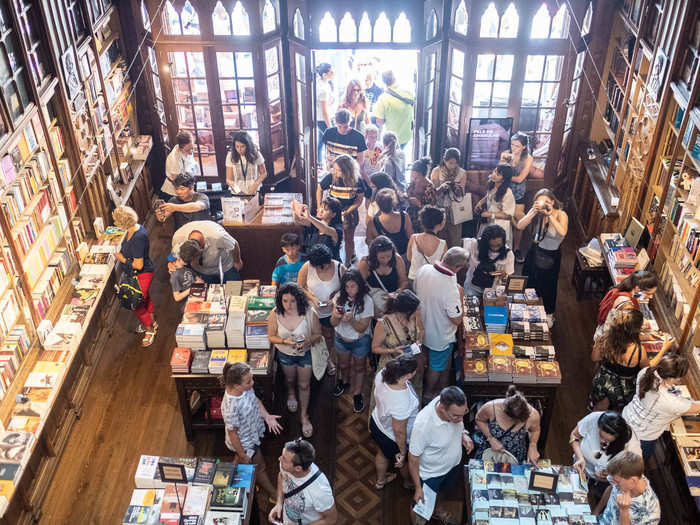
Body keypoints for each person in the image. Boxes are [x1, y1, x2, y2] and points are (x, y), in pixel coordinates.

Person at [408, 386, 474, 525]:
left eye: (464, 413)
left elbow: (457, 425)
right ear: (442, 408)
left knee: (442, 492)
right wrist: (418, 487)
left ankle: (438, 509)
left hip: (452, 466)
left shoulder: (448, 403)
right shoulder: (423, 426)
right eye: (456, 415)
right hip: (431, 474)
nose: (461, 419)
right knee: (419, 508)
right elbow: (413, 458)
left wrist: (463, 434)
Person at [589, 308, 674, 412]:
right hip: (622, 390)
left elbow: (594, 358)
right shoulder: (637, 350)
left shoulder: (604, 338)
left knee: (599, 408)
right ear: (636, 330)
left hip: (602, 381)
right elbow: (648, 368)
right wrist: (664, 348)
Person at [267, 283, 323, 438]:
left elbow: (318, 334)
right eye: (285, 301)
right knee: (290, 379)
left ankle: (304, 415)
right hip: (285, 354)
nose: (289, 305)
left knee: (304, 384)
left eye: (292, 301)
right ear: (280, 300)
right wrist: (286, 342)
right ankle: (291, 393)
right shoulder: (275, 313)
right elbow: (271, 336)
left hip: (305, 354)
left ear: (299, 299)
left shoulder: (309, 313)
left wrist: (308, 342)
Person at [414, 247, 467, 405]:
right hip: (440, 335)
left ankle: (430, 387)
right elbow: (457, 319)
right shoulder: (451, 289)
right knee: (436, 366)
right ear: (457, 267)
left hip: (421, 328)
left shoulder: (424, 269)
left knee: (427, 360)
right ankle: (429, 393)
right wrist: (461, 297)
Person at [220, 362, 282, 497]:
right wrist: (243, 454)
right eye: (249, 381)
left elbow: (255, 400)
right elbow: (233, 434)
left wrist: (266, 416)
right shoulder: (231, 407)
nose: (252, 383)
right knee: (260, 468)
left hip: (252, 433)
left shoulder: (245, 389)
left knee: (242, 463)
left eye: (252, 378)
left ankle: (232, 481)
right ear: (236, 385)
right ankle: (274, 495)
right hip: (245, 443)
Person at [622, 353, 700, 461]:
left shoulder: (645, 372)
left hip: (626, 418)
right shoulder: (668, 401)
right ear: (672, 378)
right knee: (634, 466)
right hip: (642, 437)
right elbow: (696, 408)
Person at [570, 411, 642, 511]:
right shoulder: (594, 418)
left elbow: (626, 478)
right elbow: (574, 436)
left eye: (608, 440)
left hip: (606, 484)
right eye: (600, 435)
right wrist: (580, 457)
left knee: (597, 501)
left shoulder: (632, 448)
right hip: (581, 469)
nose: (602, 441)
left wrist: (609, 476)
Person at [516, 188, 568, 321]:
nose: (542, 204)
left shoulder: (561, 214)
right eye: (539, 201)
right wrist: (533, 212)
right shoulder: (536, 213)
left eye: (545, 201)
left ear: (552, 201)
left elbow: (562, 232)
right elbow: (519, 226)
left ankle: (548, 312)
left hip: (551, 254)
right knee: (530, 280)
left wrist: (550, 215)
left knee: (548, 285)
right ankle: (528, 306)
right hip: (535, 250)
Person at [370, 355, 419, 490]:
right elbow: (399, 431)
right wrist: (402, 452)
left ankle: (380, 481)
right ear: (409, 375)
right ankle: (408, 482)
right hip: (391, 436)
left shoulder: (382, 374)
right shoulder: (401, 400)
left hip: (377, 422)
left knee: (382, 453)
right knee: (402, 463)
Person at [298, 244, 346, 378]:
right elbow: (300, 287)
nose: (320, 268)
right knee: (316, 336)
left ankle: (329, 357)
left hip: (331, 311)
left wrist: (335, 298)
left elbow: (347, 287)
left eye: (322, 265)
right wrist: (313, 299)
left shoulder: (339, 268)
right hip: (313, 310)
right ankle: (322, 359)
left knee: (329, 336)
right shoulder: (307, 267)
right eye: (317, 266)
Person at [112, 206, 157, 347]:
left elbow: (138, 264)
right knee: (144, 297)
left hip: (142, 273)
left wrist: (121, 258)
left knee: (135, 303)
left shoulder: (138, 238)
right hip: (139, 274)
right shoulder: (134, 229)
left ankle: (149, 329)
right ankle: (152, 321)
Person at [330, 269, 374, 412]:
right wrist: (336, 316)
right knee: (343, 365)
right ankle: (344, 382)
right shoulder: (338, 297)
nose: (349, 290)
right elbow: (333, 323)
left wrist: (352, 321)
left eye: (353, 286)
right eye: (347, 287)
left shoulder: (367, 301)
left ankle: (357, 393)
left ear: (359, 285)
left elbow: (362, 328)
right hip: (341, 339)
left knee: (360, 368)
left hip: (360, 341)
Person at [371, 290, 425, 400]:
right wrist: (393, 350)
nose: (418, 311)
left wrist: (419, 341)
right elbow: (374, 348)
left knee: (412, 396)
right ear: (406, 311)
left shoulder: (416, 315)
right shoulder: (384, 323)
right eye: (415, 309)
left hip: (412, 365)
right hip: (392, 367)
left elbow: (422, 330)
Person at [269, 439, 337, 525]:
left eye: (284, 459)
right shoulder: (286, 465)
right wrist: (279, 503)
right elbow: (281, 476)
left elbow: (331, 519)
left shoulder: (320, 491)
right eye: (282, 456)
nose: (279, 459)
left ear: (298, 468)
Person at [316, 154, 366, 264]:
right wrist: (319, 206)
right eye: (335, 169)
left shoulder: (357, 180)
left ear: (347, 170)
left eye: (339, 170)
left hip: (349, 211)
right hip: (333, 210)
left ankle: (347, 261)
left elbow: (359, 200)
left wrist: (348, 211)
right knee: (334, 236)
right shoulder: (331, 176)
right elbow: (319, 189)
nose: (336, 172)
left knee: (349, 238)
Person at [474, 385, 541, 464]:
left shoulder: (533, 415)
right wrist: (490, 438)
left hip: (516, 454)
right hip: (489, 451)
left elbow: (535, 430)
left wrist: (533, 445)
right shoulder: (490, 408)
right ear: (505, 412)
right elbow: (479, 419)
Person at [598, 451, 660, 525]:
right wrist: (596, 512)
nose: (614, 483)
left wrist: (624, 511)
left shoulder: (650, 514)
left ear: (633, 480)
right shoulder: (623, 475)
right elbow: (610, 487)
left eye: (617, 482)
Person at [171, 220, 244, 283]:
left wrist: (237, 261)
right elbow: (173, 252)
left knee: (235, 292)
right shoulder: (178, 238)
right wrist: (170, 262)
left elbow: (234, 244)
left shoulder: (218, 236)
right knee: (208, 295)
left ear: (201, 251)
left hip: (226, 266)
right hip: (202, 271)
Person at [595, 271, 659, 342]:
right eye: (648, 293)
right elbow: (625, 336)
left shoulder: (623, 291)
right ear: (637, 288)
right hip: (608, 341)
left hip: (603, 332)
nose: (651, 297)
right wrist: (648, 337)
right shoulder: (627, 305)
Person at [358, 236, 409, 318]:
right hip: (374, 307)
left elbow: (404, 281)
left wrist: (398, 292)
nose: (386, 260)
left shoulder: (397, 259)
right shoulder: (366, 264)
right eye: (382, 257)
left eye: (389, 256)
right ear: (374, 255)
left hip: (393, 306)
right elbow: (359, 287)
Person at [462, 224, 515, 297]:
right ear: (485, 242)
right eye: (492, 246)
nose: (495, 248)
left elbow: (508, 275)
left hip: (493, 290)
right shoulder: (475, 244)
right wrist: (466, 263)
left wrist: (503, 275)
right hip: (472, 287)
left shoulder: (508, 254)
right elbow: (461, 246)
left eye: (499, 245)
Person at [430, 148, 467, 248]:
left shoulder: (462, 173)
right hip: (440, 207)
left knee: (455, 238)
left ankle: (455, 260)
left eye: (455, 163)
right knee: (439, 237)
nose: (453, 166)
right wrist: (442, 187)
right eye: (450, 163)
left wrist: (457, 189)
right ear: (444, 160)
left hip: (455, 208)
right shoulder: (437, 171)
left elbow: (462, 194)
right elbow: (432, 193)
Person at [474, 164, 516, 246]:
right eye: (495, 171)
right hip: (488, 223)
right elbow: (488, 196)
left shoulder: (508, 193)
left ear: (504, 179)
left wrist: (489, 214)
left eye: (498, 174)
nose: (494, 175)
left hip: (500, 226)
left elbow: (508, 215)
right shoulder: (493, 185)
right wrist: (480, 202)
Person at [508, 132, 534, 263]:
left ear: (524, 146)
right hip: (505, 193)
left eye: (517, 146)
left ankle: (516, 249)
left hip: (519, 194)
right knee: (505, 219)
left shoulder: (528, 158)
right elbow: (498, 171)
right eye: (512, 144)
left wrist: (506, 177)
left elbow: (520, 179)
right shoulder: (506, 155)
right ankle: (505, 248)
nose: (513, 148)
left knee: (519, 221)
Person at [365, 189, 413, 258]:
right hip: (403, 256)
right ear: (394, 202)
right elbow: (410, 235)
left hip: (384, 259)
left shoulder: (373, 223)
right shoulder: (404, 216)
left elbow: (369, 243)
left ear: (378, 204)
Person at [406, 206, 446, 284]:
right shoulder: (442, 244)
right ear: (438, 225)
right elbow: (443, 266)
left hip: (414, 279)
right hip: (432, 281)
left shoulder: (414, 238)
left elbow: (409, 258)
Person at [374, 70, 414, 148]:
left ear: (384, 82)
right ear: (395, 78)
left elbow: (380, 122)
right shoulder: (408, 92)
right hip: (407, 135)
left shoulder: (383, 98)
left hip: (392, 138)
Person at [320, 109, 367, 174]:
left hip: (350, 174)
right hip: (333, 172)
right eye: (339, 126)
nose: (342, 130)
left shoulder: (359, 137)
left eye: (345, 127)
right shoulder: (328, 133)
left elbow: (360, 161)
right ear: (335, 122)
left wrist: (344, 168)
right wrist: (328, 159)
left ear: (350, 122)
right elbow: (328, 152)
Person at [297, 196, 344, 262]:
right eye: (321, 207)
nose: (321, 210)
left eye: (325, 209)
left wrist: (309, 217)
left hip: (329, 265)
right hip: (313, 262)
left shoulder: (337, 229)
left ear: (333, 214)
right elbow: (298, 220)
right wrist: (296, 210)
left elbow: (325, 229)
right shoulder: (315, 221)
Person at [225, 131, 267, 195]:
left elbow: (263, 173)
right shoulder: (230, 156)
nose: (239, 149)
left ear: (248, 145)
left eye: (242, 146)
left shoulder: (256, 154)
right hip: (237, 193)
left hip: (254, 191)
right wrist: (238, 191)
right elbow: (229, 180)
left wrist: (255, 185)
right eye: (237, 146)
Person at [162, 131, 199, 199]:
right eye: (188, 150)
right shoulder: (174, 159)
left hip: (186, 187)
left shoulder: (186, 149)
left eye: (192, 148)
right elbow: (178, 180)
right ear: (181, 148)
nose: (191, 152)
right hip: (174, 192)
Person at [171, 240, 202, 314]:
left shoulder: (187, 267)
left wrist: (198, 279)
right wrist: (192, 288)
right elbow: (177, 297)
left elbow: (193, 275)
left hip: (196, 297)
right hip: (187, 304)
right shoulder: (175, 275)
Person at [406, 157, 437, 233]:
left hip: (422, 219)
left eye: (416, 177)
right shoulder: (413, 182)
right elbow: (408, 192)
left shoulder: (429, 187)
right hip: (411, 215)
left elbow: (432, 209)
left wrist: (418, 204)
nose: (413, 178)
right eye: (412, 176)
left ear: (423, 175)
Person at [315, 63, 335, 164]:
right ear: (324, 75)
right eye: (331, 72)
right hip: (324, 120)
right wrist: (330, 126)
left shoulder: (323, 82)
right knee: (331, 143)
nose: (333, 73)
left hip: (322, 118)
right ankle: (328, 164)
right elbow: (324, 110)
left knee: (321, 142)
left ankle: (319, 163)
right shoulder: (322, 90)